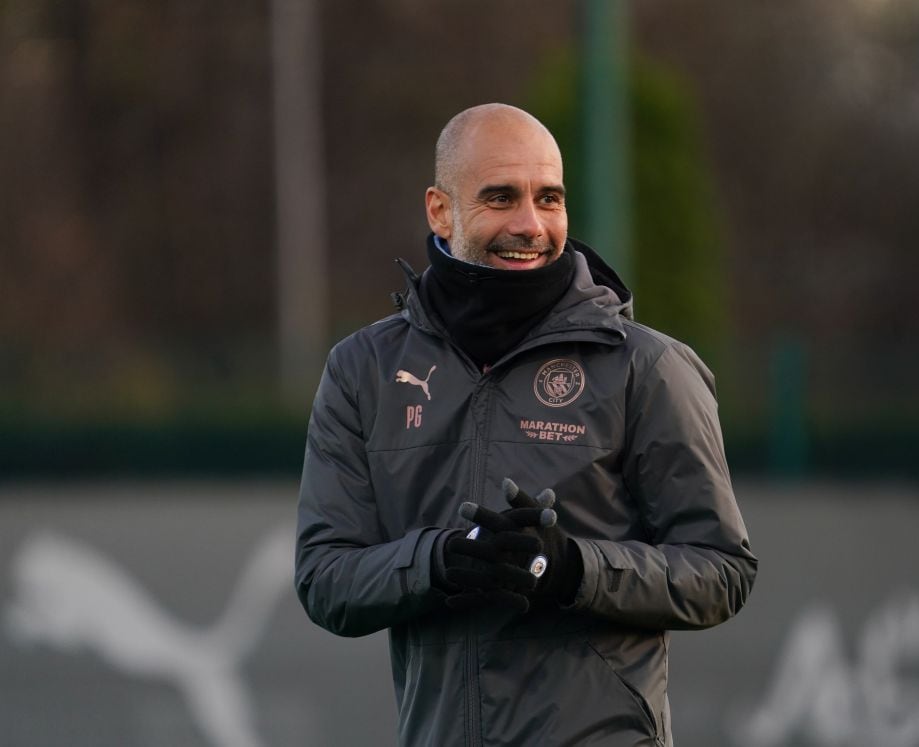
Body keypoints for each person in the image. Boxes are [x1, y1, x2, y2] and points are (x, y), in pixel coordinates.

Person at [294, 103, 757, 746]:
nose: (531, 225)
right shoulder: (362, 369)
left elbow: (721, 571)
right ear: (439, 210)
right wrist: (441, 561)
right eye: (501, 197)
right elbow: (324, 577)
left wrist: (574, 570)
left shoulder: (647, 366)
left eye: (550, 198)